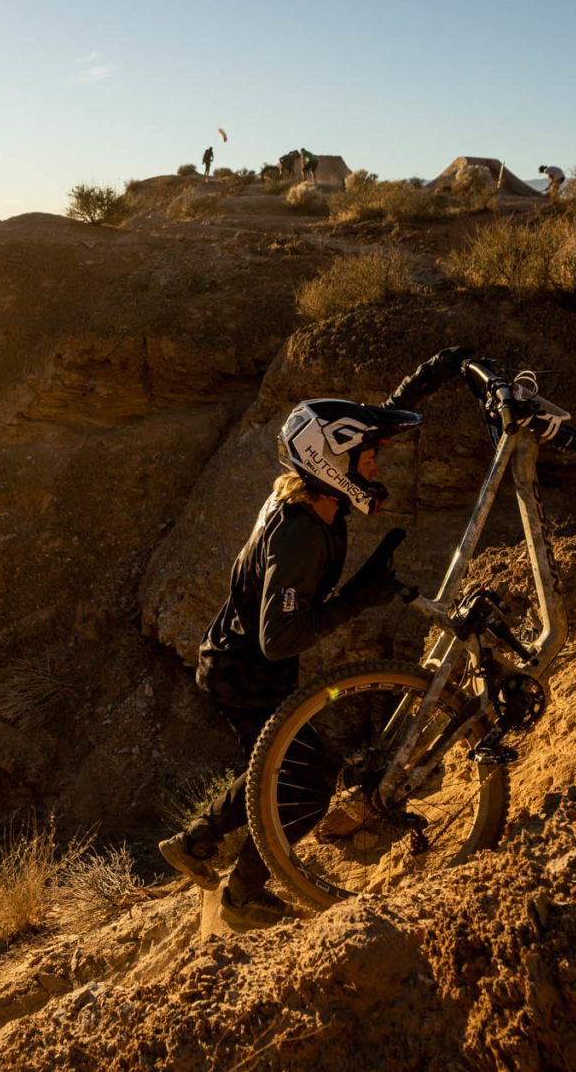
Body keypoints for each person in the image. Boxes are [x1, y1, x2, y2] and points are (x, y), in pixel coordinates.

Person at [158, 348, 472, 928]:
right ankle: (242, 896)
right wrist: (361, 596)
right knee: (303, 779)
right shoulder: (300, 534)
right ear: (332, 465)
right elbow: (279, 638)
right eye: (368, 461)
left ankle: (195, 843)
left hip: (239, 662)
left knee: (272, 764)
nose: (375, 469)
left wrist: (427, 378)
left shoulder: (315, 494)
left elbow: (372, 426)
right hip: (246, 673)